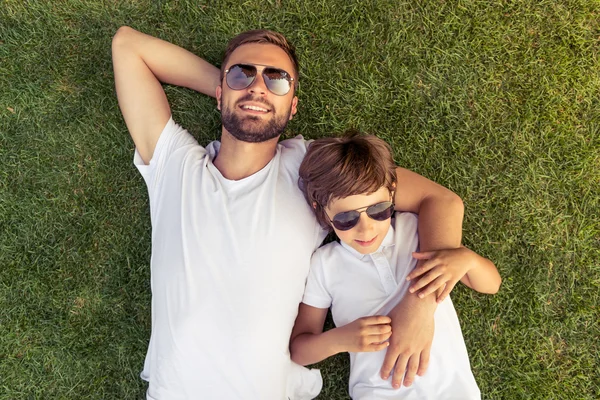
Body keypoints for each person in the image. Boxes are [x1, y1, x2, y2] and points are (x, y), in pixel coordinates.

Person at [111, 26, 467, 399]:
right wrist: (243, 93)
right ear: (219, 90)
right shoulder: (175, 166)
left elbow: (440, 202)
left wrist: (421, 305)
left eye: (277, 80)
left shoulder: (311, 171)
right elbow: (128, 46)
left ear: (294, 105)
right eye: (241, 73)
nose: (259, 86)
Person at [290, 134, 502, 399]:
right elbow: (299, 350)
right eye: (346, 218)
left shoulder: (415, 231)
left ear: (392, 192)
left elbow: (492, 284)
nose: (366, 228)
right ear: (320, 210)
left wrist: (466, 258)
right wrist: (341, 339)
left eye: (378, 209)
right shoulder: (325, 265)